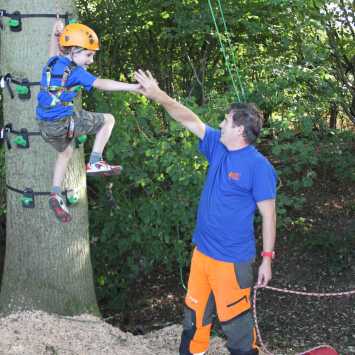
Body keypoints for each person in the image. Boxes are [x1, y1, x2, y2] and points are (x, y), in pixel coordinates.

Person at [135, 70, 277, 355]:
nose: (221, 124)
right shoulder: (217, 146)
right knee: (194, 318)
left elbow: (269, 216)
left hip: (232, 260)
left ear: (239, 129)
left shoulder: (259, 166)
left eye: (226, 120)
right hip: (202, 254)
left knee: (237, 326)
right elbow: (187, 117)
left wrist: (267, 259)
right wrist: (158, 95)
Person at [36, 21, 140, 223]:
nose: (91, 60)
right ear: (73, 51)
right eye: (88, 55)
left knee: (65, 152)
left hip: (44, 126)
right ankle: (94, 161)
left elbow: (53, 51)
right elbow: (101, 83)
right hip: (62, 123)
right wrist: (132, 87)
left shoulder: (51, 63)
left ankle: (55, 193)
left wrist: (54, 33)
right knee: (108, 120)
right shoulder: (75, 71)